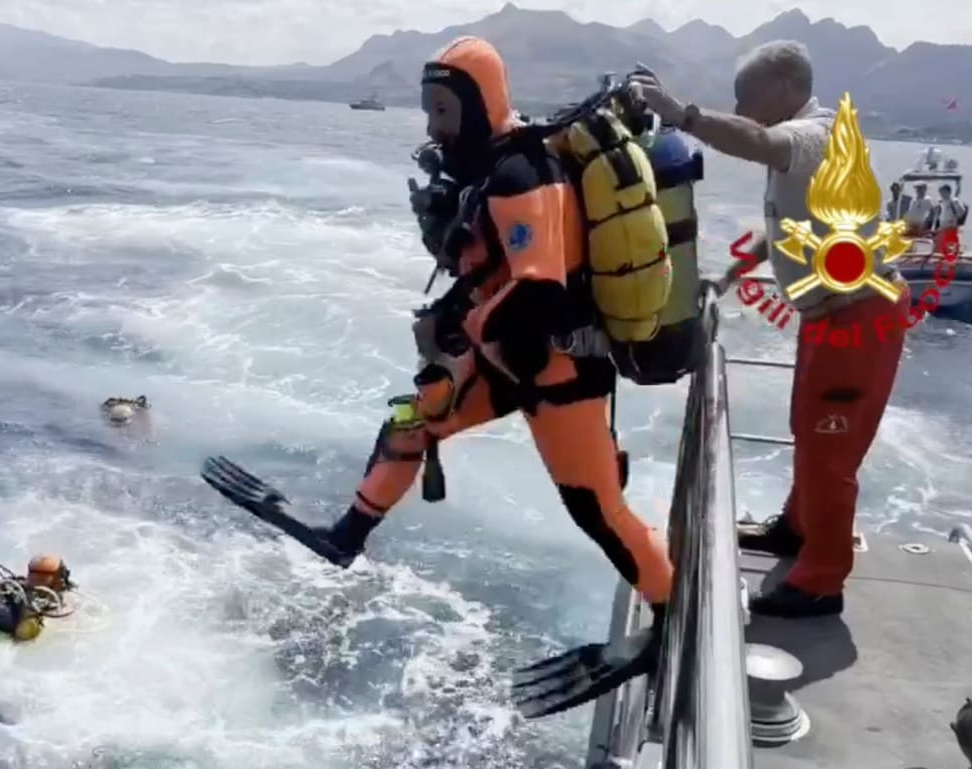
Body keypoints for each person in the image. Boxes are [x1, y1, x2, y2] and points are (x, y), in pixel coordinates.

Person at [205, 36, 674, 719]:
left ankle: (666, 620)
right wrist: (456, 317)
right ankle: (346, 535)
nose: (433, 126)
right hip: (511, 358)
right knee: (414, 417)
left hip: (557, 367)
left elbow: (538, 293)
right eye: (431, 110)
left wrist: (460, 331)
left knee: (598, 510)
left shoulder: (522, 176)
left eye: (445, 111)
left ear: (482, 106)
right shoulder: (486, 168)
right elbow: (495, 277)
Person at [630, 40, 912, 618]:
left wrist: (682, 113)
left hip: (858, 314)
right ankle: (797, 529)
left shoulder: (815, 136)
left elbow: (757, 142)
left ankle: (820, 581)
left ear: (785, 85)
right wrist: (733, 270)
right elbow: (788, 224)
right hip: (832, 313)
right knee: (810, 430)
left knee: (830, 445)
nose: (739, 105)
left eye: (745, 94)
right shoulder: (805, 151)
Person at [0, 554, 75, 647]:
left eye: (43, 577)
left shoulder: (65, 602)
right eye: (35, 575)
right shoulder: (13, 588)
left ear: (58, 580)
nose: (36, 581)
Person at [935, 183, 968, 255]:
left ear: (948, 192)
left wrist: (953, 218)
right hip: (943, 228)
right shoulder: (942, 202)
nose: (941, 194)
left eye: (943, 192)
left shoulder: (953, 202)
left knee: (950, 246)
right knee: (938, 245)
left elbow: (961, 212)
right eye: (940, 192)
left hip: (951, 228)